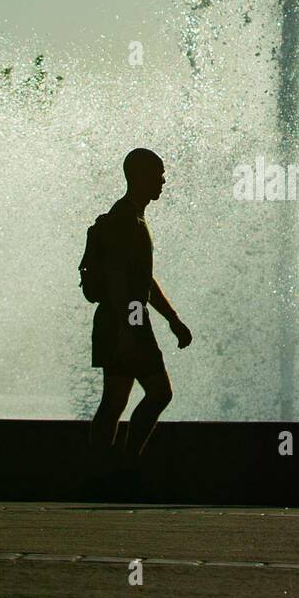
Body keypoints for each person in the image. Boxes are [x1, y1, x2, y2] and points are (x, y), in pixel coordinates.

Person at [85, 148, 192, 496]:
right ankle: (117, 469)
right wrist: (130, 330)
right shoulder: (124, 220)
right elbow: (118, 280)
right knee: (155, 393)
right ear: (139, 176)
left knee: (115, 400)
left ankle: (105, 472)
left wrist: (173, 319)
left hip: (124, 320)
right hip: (124, 321)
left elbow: (144, 280)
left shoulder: (135, 219)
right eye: (158, 173)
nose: (163, 179)